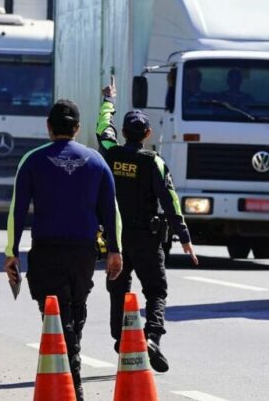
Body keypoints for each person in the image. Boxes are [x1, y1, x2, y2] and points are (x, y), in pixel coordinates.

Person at [4, 99, 123, 401]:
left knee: (54, 315)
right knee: (76, 311)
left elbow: (17, 209)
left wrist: (11, 251)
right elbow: (111, 211)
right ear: (78, 128)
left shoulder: (32, 160)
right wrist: (114, 250)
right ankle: (72, 373)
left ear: (48, 127)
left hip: (46, 250)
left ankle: (73, 380)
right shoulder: (96, 161)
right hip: (83, 251)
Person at [96, 79, 198, 373]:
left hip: (116, 237)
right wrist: (184, 237)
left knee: (118, 288)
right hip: (147, 238)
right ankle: (152, 337)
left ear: (124, 133)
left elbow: (104, 128)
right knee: (156, 291)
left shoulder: (111, 153)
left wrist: (109, 101)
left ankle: (121, 339)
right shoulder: (153, 162)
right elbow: (171, 200)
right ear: (148, 134)